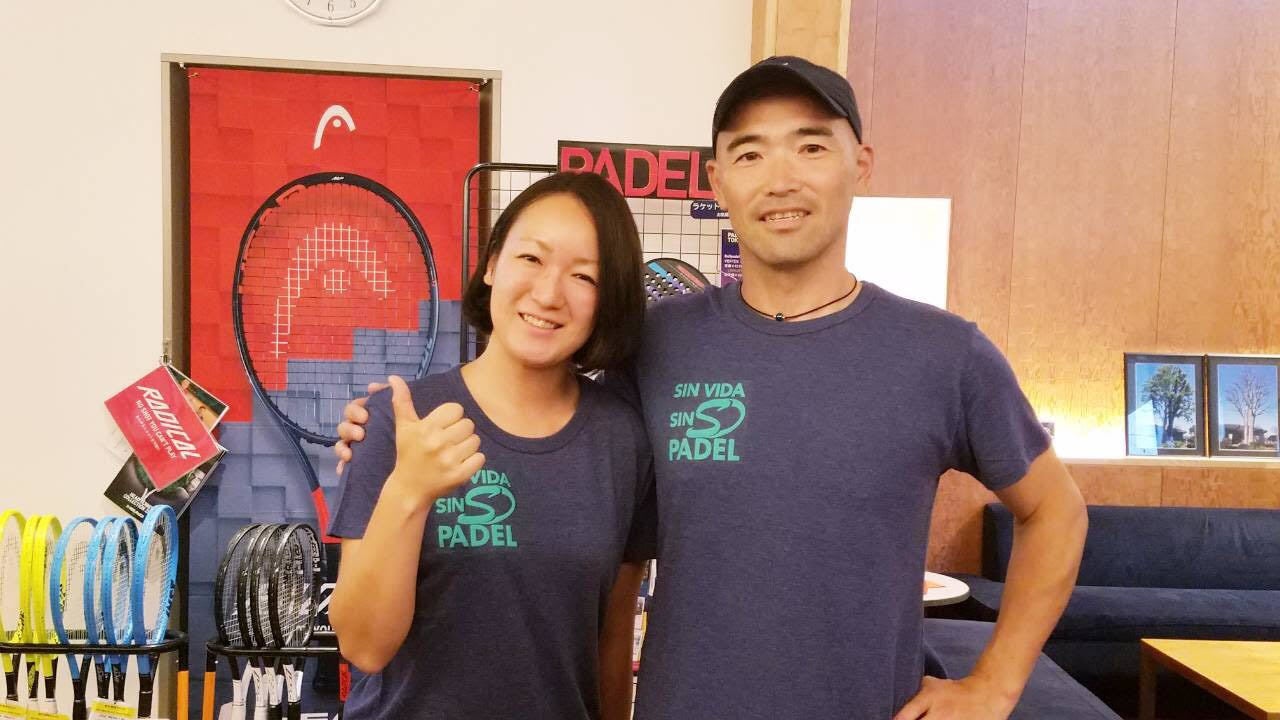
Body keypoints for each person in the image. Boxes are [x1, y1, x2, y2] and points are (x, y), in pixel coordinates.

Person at [337, 57, 1088, 719]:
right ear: (718, 179)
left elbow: (1054, 512)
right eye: (750, 152)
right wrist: (384, 451)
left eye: (811, 145)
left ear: (860, 164)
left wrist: (995, 685)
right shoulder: (659, 342)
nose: (781, 178)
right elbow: (549, 444)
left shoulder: (944, 353)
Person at [327, 171, 653, 720]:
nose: (548, 294)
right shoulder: (396, 421)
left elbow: (612, 642)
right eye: (531, 258)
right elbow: (363, 646)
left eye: (584, 276)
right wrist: (409, 490)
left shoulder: (623, 442)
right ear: (493, 265)